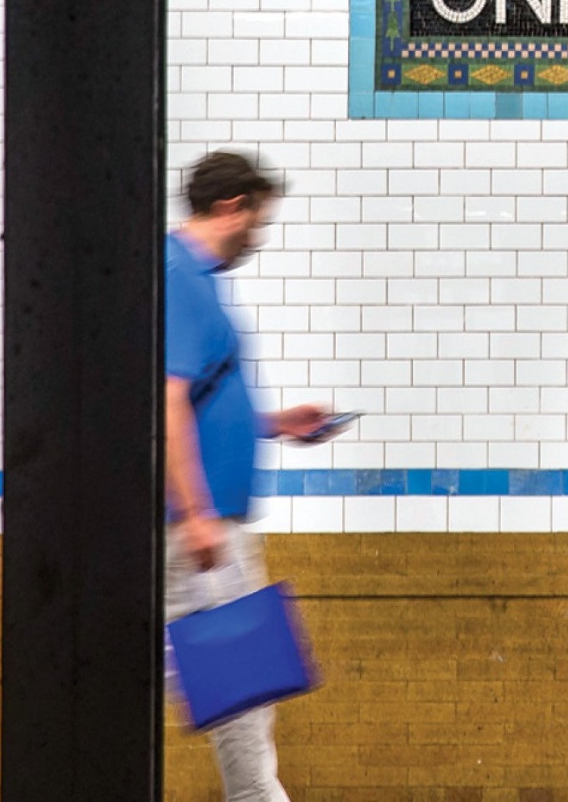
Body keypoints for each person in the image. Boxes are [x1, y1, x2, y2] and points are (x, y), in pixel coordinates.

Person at [165, 150, 333, 802]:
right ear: (231, 206)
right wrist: (198, 511)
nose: (257, 237)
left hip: (211, 519)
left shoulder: (197, 278)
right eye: (256, 221)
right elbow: (168, 398)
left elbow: (201, 401)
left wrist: (275, 423)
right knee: (240, 688)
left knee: (244, 685)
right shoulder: (181, 273)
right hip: (200, 524)